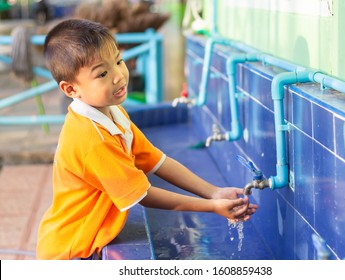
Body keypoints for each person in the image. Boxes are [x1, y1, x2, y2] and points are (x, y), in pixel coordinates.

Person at [36, 19, 258, 260]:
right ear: (71, 90)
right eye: (102, 73)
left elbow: (157, 162)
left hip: (82, 242)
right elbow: (144, 196)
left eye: (119, 61)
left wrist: (213, 192)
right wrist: (211, 207)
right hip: (72, 252)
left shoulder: (113, 113)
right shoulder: (92, 139)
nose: (118, 76)